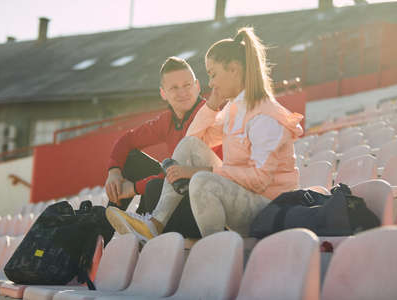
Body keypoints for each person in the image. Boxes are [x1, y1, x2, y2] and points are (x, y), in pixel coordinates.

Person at [105, 27, 304, 242]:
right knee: (189, 147)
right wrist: (211, 105)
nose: (211, 83)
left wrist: (200, 170)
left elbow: (259, 180)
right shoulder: (234, 109)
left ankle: (218, 252)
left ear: (234, 70)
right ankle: (155, 224)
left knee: (201, 180)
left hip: (269, 208)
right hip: (244, 198)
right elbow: (193, 141)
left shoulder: (265, 116)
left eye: (213, 74)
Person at [105, 56, 221, 238]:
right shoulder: (167, 120)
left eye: (187, 85)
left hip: (204, 203)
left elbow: (182, 173)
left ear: (197, 86)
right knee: (131, 160)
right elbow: (126, 140)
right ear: (163, 93)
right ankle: (104, 233)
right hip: (178, 191)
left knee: (154, 188)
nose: (182, 92)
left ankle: (143, 228)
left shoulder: (206, 116)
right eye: (174, 88)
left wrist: (135, 188)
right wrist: (113, 172)